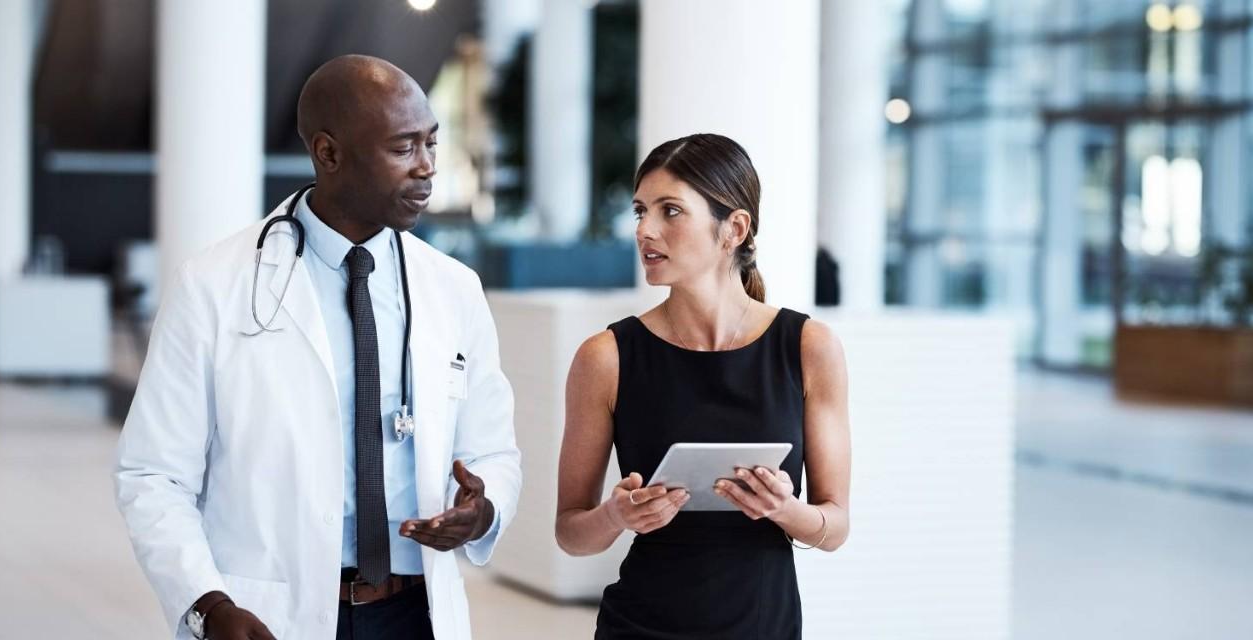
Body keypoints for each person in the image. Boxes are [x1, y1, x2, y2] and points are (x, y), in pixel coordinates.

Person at [114, 55, 520, 640]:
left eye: (431, 143)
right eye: (403, 148)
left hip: (415, 613)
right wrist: (207, 603)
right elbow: (152, 474)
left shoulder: (453, 288)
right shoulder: (213, 285)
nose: (427, 168)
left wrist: (482, 510)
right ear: (328, 154)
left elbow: (494, 452)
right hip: (267, 616)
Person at [554, 133, 852, 639]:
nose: (645, 229)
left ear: (734, 228)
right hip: (639, 625)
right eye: (640, 211)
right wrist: (616, 514)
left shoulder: (809, 348)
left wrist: (784, 509)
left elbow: (835, 527)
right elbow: (571, 532)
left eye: (670, 211)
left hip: (763, 626)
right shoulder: (605, 357)